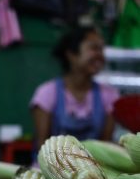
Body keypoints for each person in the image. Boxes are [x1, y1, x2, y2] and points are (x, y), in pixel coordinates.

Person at [30, 25, 120, 153]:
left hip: (93, 169)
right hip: (52, 168)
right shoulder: (47, 93)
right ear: (72, 54)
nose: (100, 55)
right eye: (94, 48)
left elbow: (106, 146)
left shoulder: (109, 96)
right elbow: (42, 146)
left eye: (101, 49)